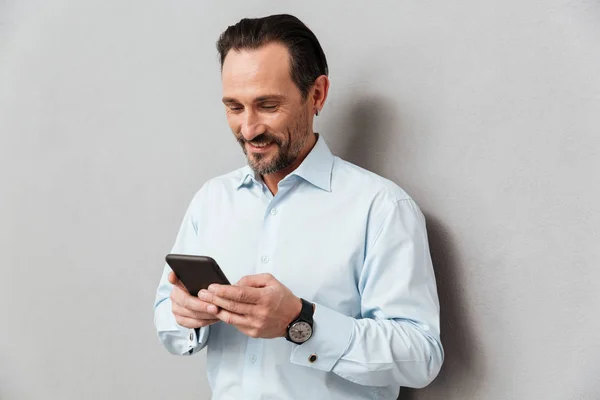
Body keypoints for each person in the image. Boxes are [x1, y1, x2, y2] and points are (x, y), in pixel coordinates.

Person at [153, 13, 444, 400]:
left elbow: (421, 356)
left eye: (268, 105)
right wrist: (186, 316)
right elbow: (167, 319)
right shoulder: (211, 200)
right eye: (234, 107)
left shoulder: (382, 208)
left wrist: (299, 321)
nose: (249, 129)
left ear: (317, 95)